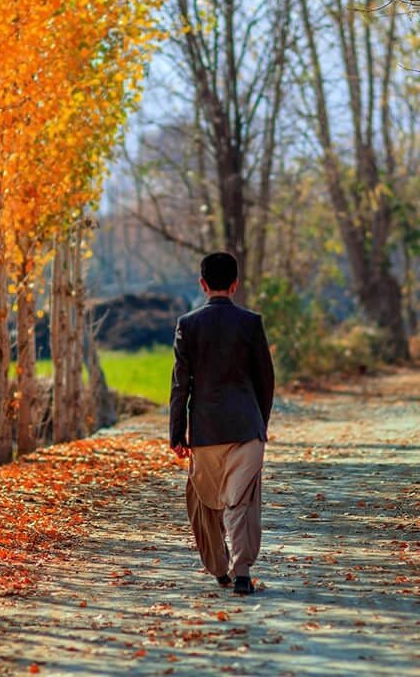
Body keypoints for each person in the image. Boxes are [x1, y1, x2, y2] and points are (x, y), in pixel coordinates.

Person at [169, 252, 275, 595]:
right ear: (235, 285)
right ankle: (242, 572)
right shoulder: (251, 323)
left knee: (204, 500)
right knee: (242, 501)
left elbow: (179, 385)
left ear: (202, 285)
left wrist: (177, 434)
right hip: (247, 429)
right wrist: (261, 423)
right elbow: (266, 380)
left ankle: (220, 568)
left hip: (205, 432)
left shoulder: (188, 325)